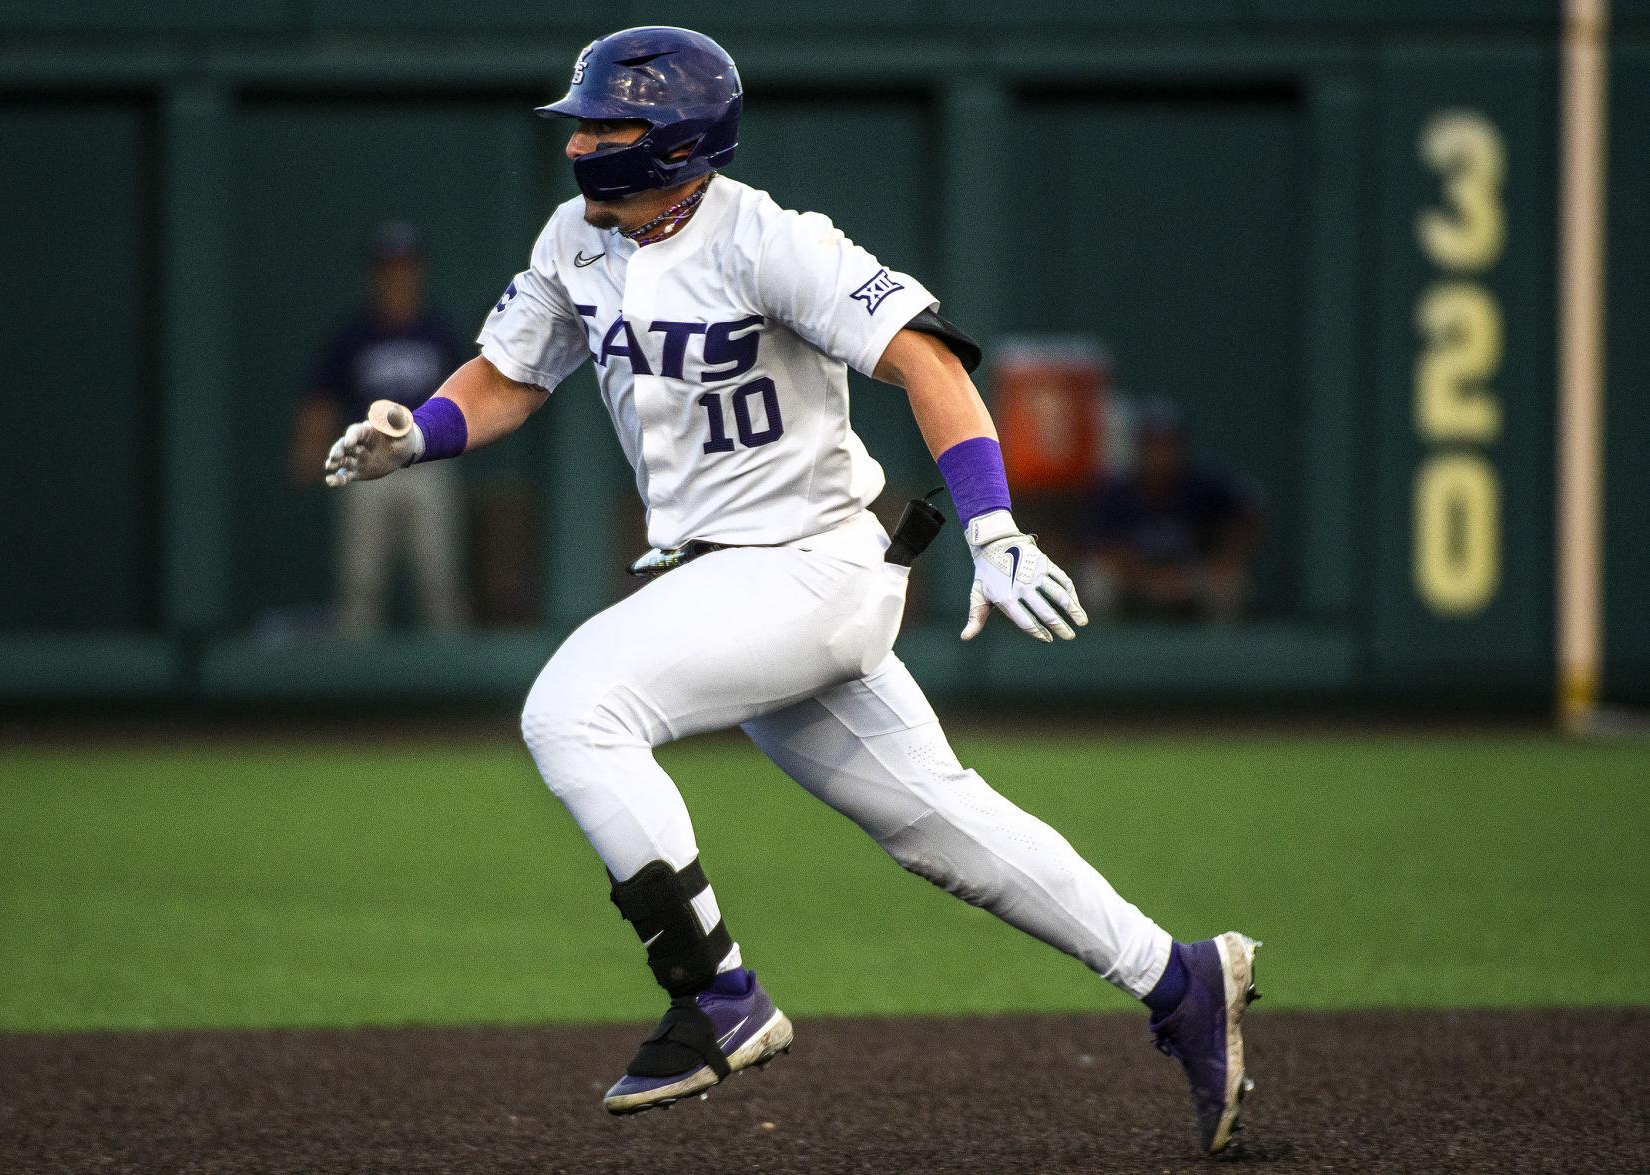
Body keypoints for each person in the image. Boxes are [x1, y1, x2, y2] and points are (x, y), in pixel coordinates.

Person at [323, 28, 1260, 1156]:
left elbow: (930, 363)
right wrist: (414, 433)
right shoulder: (577, 235)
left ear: (671, 140)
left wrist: (995, 523)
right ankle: (1181, 979)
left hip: (811, 564)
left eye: (601, 125)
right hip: (731, 584)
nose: (575, 142)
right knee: (943, 827)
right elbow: (511, 377)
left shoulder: (769, 239)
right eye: (577, 123)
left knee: (574, 708)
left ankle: (715, 992)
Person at [291, 222, 471, 634]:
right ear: (374, 274)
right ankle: (353, 684)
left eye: (404, 266)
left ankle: (450, 678)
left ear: (418, 271)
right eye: (387, 267)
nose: (396, 276)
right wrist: (307, 447)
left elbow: (469, 397)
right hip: (368, 463)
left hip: (427, 462)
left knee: (439, 577)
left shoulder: (438, 332)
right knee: (359, 583)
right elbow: (321, 398)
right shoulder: (353, 335)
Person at [1080, 400, 1262, 622]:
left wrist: (1224, 561)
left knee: (1232, 585)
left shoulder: (1203, 485)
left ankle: (1218, 653)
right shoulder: (1118, 489)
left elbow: (1248, 513)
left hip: (1192, 576)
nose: (1160, 454)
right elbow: (1100, 549)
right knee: (1096, 583)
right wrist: (1148, 578)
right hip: (1136, 579)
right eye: (1152, 445)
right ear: (1139, 448)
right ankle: (1106, 651)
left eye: (1168, 445)